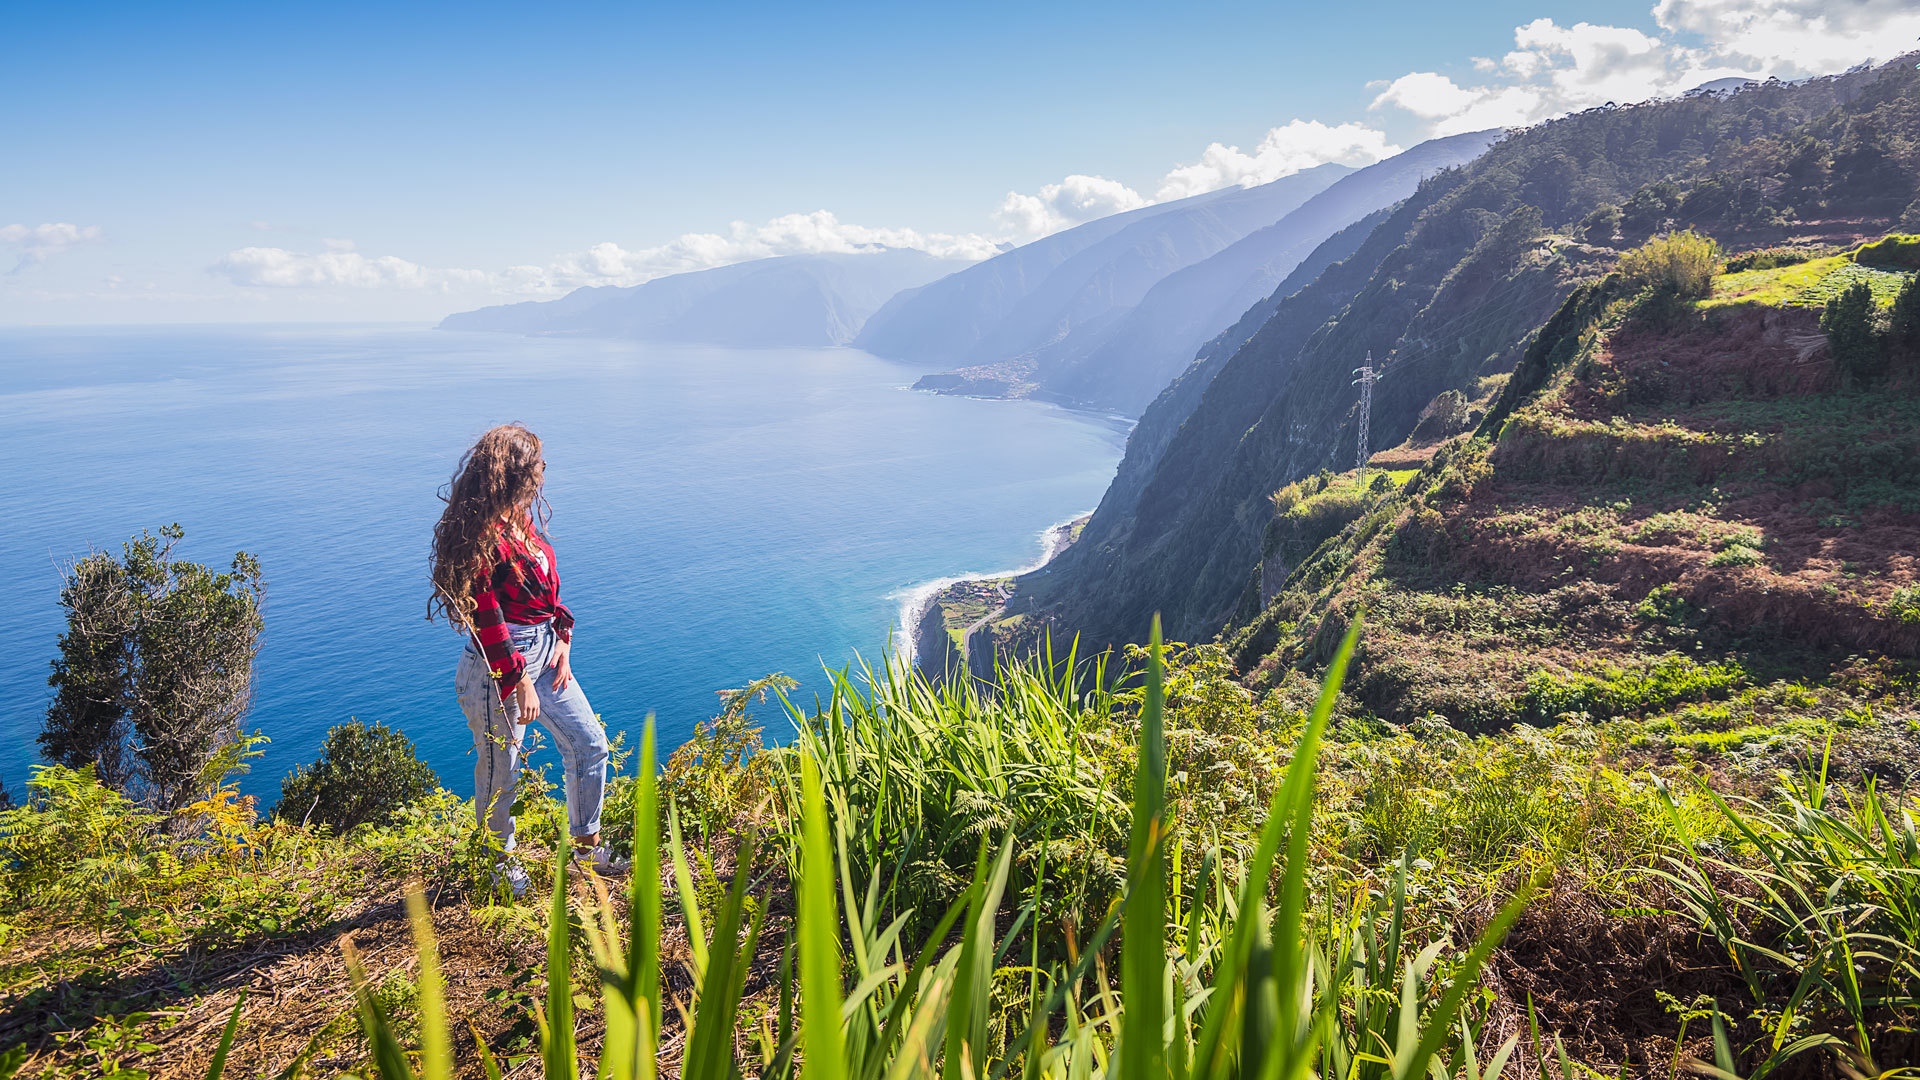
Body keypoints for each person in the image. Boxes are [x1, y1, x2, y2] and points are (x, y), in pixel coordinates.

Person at [430, 423, 626, 895]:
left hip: (541, 654)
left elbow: (544, 595)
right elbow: (486, 616)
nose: (543, 470)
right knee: (502, 771)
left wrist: (563, 635)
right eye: (538, 463)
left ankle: (587, 849)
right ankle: (499, 866)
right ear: (516, 470)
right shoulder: (482, 535)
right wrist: (517, 679)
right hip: (498, 668)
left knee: (590, 744)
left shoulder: (520, 521)